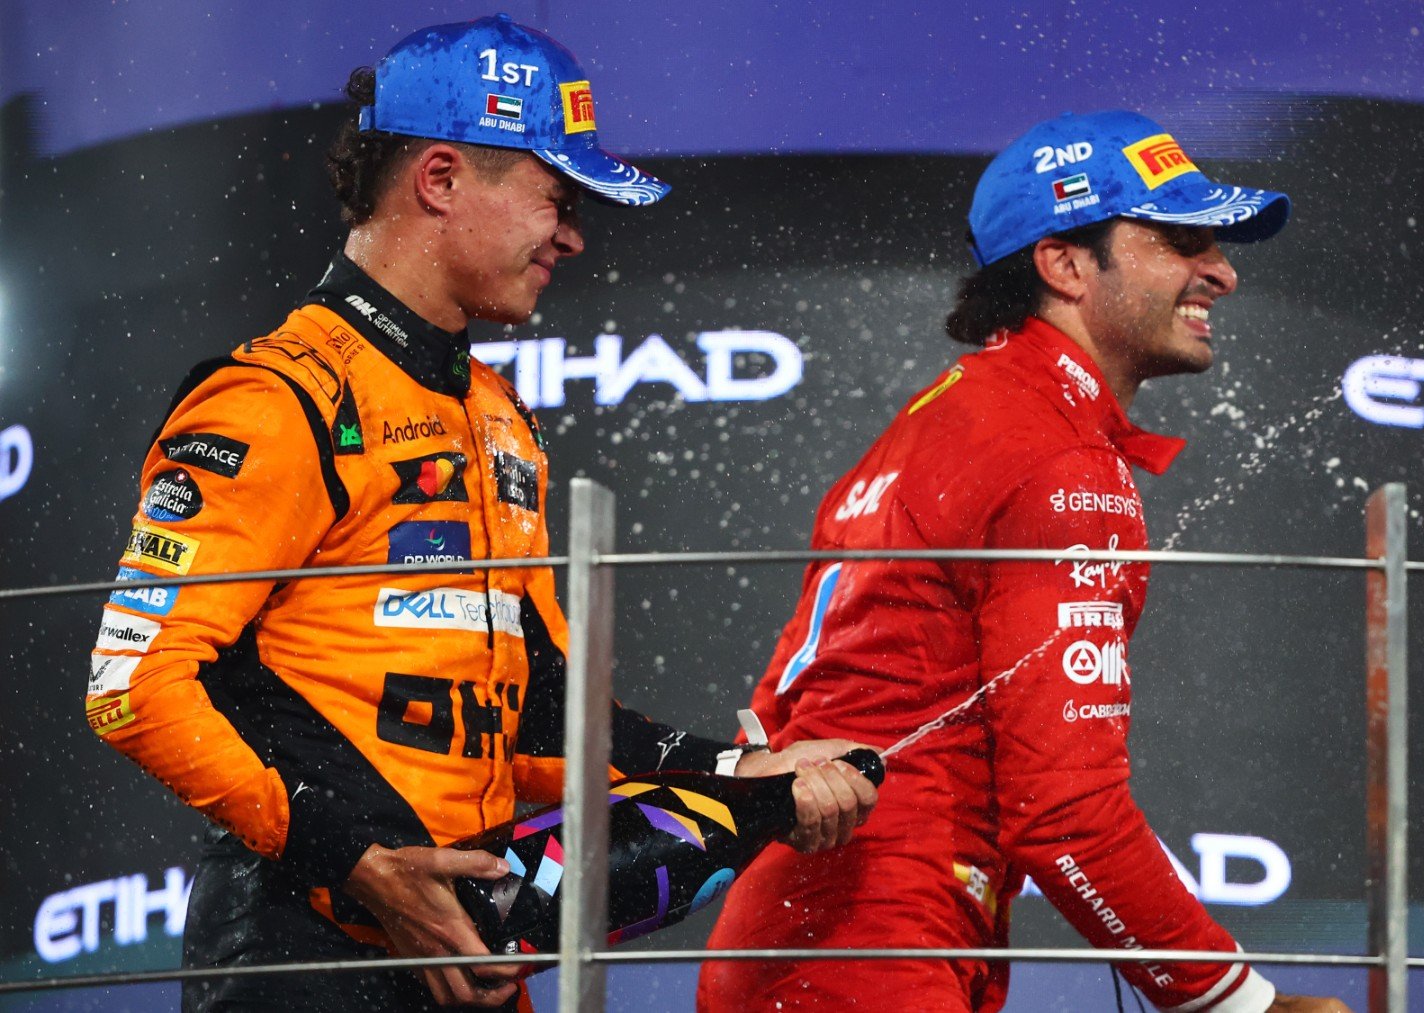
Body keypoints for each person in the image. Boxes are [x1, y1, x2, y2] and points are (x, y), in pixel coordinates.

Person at [83, 14, 876, 1012]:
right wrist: (364, 860)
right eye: (556, 196)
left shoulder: (497, 414)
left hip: (467, 940)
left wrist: (742, 771)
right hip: (303, 948)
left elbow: (546, 712)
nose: (575, 233)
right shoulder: (277, 396)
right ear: (442, 179)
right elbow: (131, 686)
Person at [699, 111, 1349, 1012]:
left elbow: (772, 723)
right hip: (879, 954)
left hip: (797, 941)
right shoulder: (1054, 455)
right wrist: (1242, 1002)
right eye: (1181, 239)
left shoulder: (936, 419)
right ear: (1066, 264)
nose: (1224, 273)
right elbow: (1066, 813)